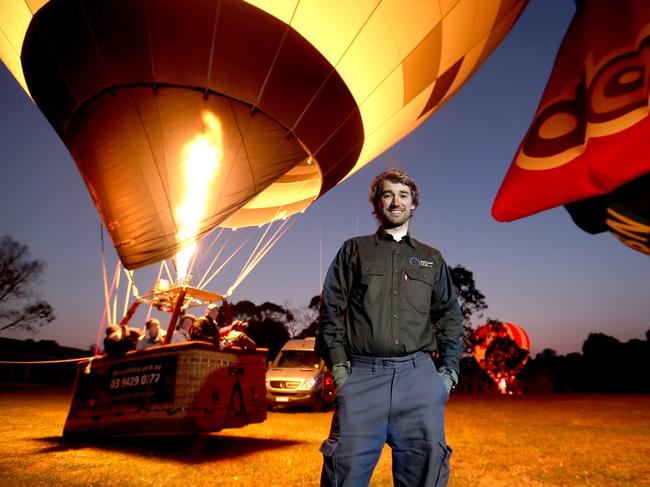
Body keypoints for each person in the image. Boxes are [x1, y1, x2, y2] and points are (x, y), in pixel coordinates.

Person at [316, 168, 463, 486]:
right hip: (363, 379)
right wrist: (340, 373)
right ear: (377, 203)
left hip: (419, 379)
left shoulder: (431, 258)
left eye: (403, 195)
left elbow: (450, 317)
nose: (395, 201)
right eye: (387, 194)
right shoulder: (353, 251)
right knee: (343, 476)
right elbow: (331, 312)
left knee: (426, 476)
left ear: (413, 205)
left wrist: (447, 376)